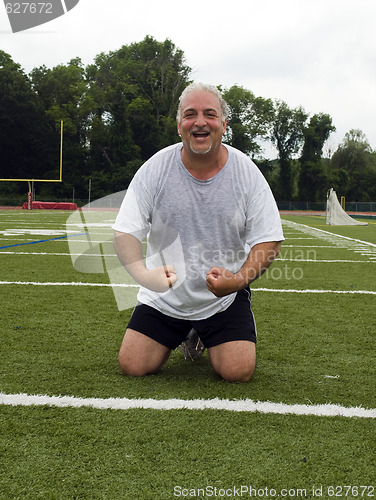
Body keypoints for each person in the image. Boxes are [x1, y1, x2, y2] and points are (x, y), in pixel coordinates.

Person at [112, 83, 284, 383]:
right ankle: (185, 331)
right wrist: (144, 275)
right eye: (190, 114)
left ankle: (203, 333)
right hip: (165, 299)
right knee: (133, 366)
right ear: (179, 125)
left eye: (210, 114)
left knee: (237, 372)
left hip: (223, 299)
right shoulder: (155, 169)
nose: (200, 122)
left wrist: (237, 281)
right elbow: (125, 232)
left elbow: (268, 239)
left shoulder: (247, 173)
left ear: (224, 124)